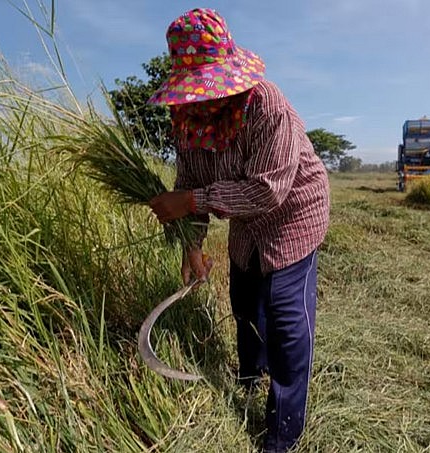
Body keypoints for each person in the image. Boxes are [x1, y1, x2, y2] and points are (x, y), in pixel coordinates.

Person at [147, 8, 330, 452]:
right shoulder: (187, 119)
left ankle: (283, 431)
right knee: (245, 303)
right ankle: (250, 375)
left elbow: (268, 191)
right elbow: (188, 184)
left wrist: (191, 202)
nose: (202, 100)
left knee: (288, 322)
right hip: (246, 224)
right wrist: (192, 247)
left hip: (293, 216)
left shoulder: (266, 104)